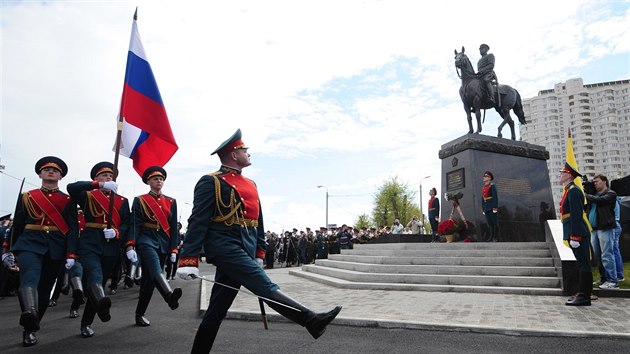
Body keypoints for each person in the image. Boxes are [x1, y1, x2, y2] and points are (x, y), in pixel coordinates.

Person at [176, 129, 342, 353]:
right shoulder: (211, 182)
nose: (248, 153)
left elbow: (258, 222)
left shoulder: (251, 184)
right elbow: (198, 221)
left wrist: (259, 251)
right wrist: (188, 258)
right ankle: (310, 320)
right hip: (224, 245)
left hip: (245, 245)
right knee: (264, 286)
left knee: (216, 311)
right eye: (244, 150)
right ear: (234, 155)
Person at [1, 156, 79, 346]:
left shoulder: (68, 200)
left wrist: (71, 253)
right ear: (40, 174)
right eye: (46, 169)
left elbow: (72, 228)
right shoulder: (27, 197)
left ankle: (30, 328)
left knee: (44, 291)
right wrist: (7, 248)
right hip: (30, 243)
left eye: (55, 170)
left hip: (56, 247)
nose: (50, 172)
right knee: (30, 278)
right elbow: (18, 224)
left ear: (60, 176)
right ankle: (29, 312)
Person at [66, 161, 132, 337]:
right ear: (96, 178)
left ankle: (87, 321)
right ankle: (100, 305)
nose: (108, 178)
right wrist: (99, 185)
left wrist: (117, 232)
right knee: (95, 275)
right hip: (90, 242)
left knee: (100, 283)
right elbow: (71, 187)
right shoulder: (88, 195)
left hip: (111, 245)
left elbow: (127, 223)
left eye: (111, 176)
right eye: (104, 176)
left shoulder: (122, 201)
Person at [129, 166, 182, 327]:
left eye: (161, 179)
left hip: (163, 243)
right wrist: (130, 245)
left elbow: (173, 228)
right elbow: (135, 224)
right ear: (148, 182)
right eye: (155, 179)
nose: (158, 181)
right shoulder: (141, 200)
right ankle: (169, 295)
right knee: (154, 267)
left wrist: (174, 249)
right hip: (146, 240)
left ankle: (140, 314)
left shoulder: (171, 201)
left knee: (149, 282)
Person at [559, 163, 593, 306]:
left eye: (562, 173)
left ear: (569, 175)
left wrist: (575, 236)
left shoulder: (573, 191)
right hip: (574, 231)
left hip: (578, 233)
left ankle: (585, 296)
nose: (560, 175)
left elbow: (576, 215)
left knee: (584, 264)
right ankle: (583, 293)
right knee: (582, 264)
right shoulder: (569, 190)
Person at [585, 174, 618, 289]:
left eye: (597, 181)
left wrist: (585, 195)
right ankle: (603, 278)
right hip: (594, 230)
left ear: (604, 182)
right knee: (599, 256)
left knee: (607, 255)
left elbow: (600, 201)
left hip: (605, 228)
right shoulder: (594, 195)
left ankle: (613, 281)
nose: (595, 183)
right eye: (593, 182)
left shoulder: (610, 194)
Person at [481, 171, 499, 242]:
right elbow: (483, 199)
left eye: (485, 176)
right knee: (490, 223)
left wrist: (495, 207)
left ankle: (495, 237)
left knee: (494, 222)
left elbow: (495, 197)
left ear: (489, 178)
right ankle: (491, 237)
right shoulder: (483, 188)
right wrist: (483, 209)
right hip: (486, 208)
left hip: (492, 207)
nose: (484, 177)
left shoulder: (492, 186)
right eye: (484, 176)